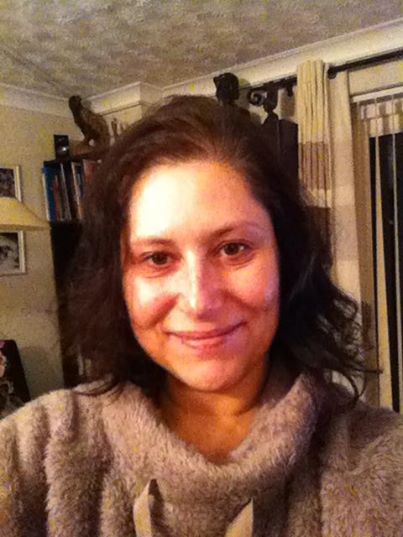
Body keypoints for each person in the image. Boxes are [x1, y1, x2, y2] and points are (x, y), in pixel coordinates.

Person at [0, 96, 402, 537]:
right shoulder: (31, 454)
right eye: (157, 258)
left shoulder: (386, 463)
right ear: (119, 280)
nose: (199, 301)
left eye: (233, 249)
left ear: (287, 259)